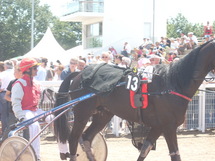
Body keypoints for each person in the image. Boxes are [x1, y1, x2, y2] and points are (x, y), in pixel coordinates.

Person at [11, 57, 53, 160]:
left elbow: (45, 96)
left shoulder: (37, 83)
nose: (37, 70)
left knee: (53, 118)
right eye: (35, 68)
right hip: (25, 111)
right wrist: (20, 117)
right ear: (28, 69)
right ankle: (35, 156)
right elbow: (15, 103)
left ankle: (64, 150)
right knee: (34, 125)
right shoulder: (19, 84)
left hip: (35, 110)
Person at [0, 60, 14, 134]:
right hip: (14, 94)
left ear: (5, 66)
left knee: (4, 114)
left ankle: (5, 132)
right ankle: (12, 130)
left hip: (4, 93)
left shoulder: (2, 74)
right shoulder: (15, 73)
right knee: (12, 114)